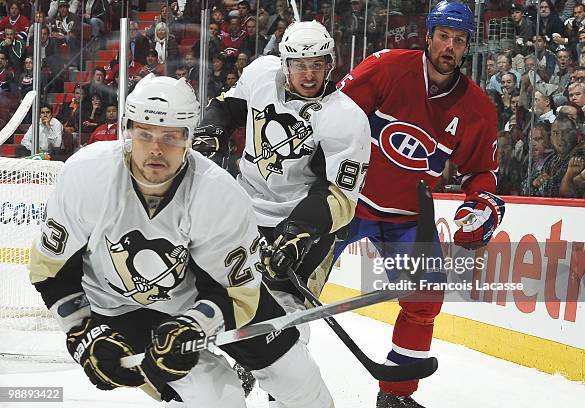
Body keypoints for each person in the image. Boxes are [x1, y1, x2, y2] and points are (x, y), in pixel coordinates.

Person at [28, 74, 332, 408]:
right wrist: (82, 334)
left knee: (301, 384)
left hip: (212, 299)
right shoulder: (85, 176)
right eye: (145, 134)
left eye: (171, 137)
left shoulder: (219, 194)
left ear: (189, 138)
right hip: (122, 307)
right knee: (218, 396)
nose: (156, 149)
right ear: (127, 131)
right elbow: (52, 271)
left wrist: (196, 323)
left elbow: (238, 292)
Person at [334, 2, 505, 407]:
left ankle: (395, 394)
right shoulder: (386, 67)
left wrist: (481, 203)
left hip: (407, 216)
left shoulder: (477, 109)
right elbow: (331, 118)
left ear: (467, 48)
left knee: (425, 300)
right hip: (346, 202)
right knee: (295, 285)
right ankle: (269, 369)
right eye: (443, 36)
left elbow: (481, 172)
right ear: (427, 36)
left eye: (459, 40)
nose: (450, 46)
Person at [196, 20, 371, 401]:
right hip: (244, 207)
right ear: (285, 64)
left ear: (331, 64)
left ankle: (290, 387)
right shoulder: (260, 73)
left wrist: (295, 236)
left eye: (318, 64)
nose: (309, 74)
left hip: (306, 221)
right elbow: (229, 106)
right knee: (230, 287)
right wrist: (211, 129)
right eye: (300, 65)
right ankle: (244, 362)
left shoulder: (346, 117)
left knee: (289, 307)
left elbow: (338, 196)